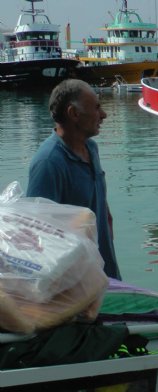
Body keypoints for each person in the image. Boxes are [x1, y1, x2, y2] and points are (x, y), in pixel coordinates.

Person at [27, 79, 120, 280]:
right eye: (96, 108)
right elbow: (37, 234)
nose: (103, 115)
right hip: (74, 282)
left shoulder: (91, 148)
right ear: (74, 113)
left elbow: (100, 204)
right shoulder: (49, 162)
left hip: (104, 270)